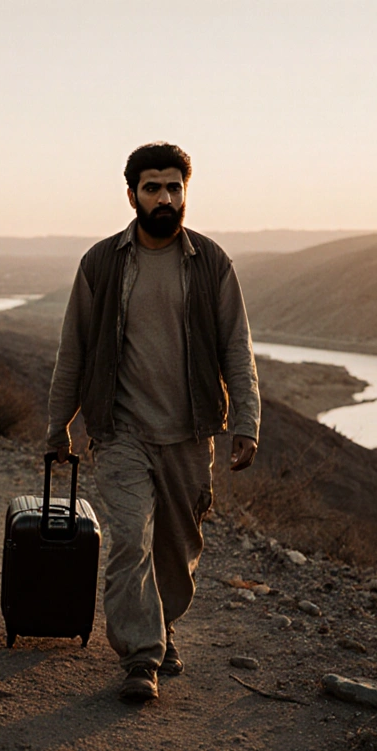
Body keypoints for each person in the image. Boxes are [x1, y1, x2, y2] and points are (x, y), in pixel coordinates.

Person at [46, 142, 261, 703]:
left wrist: (247, 419)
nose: (165, 198)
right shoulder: (101, 263)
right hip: (121, 432)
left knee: (176, 548)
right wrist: (57, 424)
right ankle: (141, 657)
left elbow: (237, 347)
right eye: (152, 188)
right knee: (129, 541)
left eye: (174, 188)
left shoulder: (211, 263)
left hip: (189, 434)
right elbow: (74, 349)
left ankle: (162, 625)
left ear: (185, 193)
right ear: (131, 195)